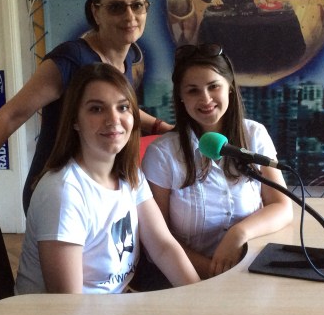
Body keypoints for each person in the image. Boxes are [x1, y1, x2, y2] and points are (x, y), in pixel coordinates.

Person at [0, 0, 172, 212]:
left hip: (97, 187)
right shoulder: (69, 60)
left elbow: (120, 109)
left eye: (137, 5)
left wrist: (162, 127)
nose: (130, 16)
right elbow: (11, 114)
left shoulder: (126, 58)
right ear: (96, 12)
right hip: (58, 194)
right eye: (116, 7)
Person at [14, 63, 200, 294]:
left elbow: (163, 246)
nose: (113, 119)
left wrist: (199, 296)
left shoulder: (130, 175)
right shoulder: (63, 192)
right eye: (96, 109)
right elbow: (67, 304)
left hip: (111, 307)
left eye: (123, 107)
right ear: (74, 120)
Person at [141, 44, 293, 282]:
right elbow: (159, 239)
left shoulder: (254, 134)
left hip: (254, 272)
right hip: (190, 279)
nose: (205, 99)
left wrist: (238, 234)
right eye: (193, 90)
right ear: (180, 97)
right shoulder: (162, 154)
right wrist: (216, 274)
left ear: (230, 87)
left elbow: (282, 206)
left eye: (214, 86)